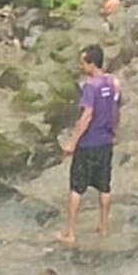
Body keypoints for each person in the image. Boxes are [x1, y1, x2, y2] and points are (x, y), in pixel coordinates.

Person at [56, 44, 121, 245]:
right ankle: (103, 226)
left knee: (77, 188)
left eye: (83, 62)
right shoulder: (113, 83)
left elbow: (87, 116)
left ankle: (70, 233)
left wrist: (72, 143)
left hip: (88, 143)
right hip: (106, 142)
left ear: (92, 64)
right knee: (104, 186)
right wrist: (114, 130)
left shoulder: (90, 87)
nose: (81, 66)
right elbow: (116, 108)